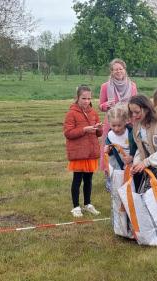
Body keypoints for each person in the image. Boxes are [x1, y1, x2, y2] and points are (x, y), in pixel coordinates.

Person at [63, 85, 103, 217]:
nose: (86, 101)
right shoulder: (71, 113)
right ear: (77, 98)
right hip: (79, 153)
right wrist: (84, 130)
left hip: (90, 152)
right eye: (83, 98)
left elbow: (99, 134)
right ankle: (76, 207)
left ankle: (87, 204)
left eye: (89, 98)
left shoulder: (93, 112)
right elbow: (68, 133)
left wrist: (98, 128)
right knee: (77, 180)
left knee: (88, 180)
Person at [99, 58, 138, 175]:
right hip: (112, 121)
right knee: (109, 148)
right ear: (111, 71)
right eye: (115, 69)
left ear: (125, 70)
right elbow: (100, 106)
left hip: (128, 121)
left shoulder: (132, 86)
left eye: (120, 69)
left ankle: (130, 171)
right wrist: (106, 105)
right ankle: (109, 173)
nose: (118, 71)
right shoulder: (105, 86)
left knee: (130, 145)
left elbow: (135, 104)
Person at [104, 103, 137, 191]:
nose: (116, 129)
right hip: (119, 166)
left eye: (119, 125)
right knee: (120, 188)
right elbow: (109, 145)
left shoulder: (131, 133)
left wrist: (131, 157)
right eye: (113, 126)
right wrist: (107, 148)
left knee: (133, 188)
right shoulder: (110, 134)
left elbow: (138, 148)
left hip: (134, 165)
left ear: (125, 121)